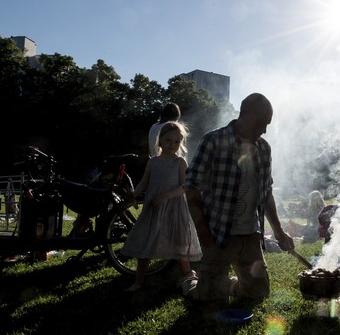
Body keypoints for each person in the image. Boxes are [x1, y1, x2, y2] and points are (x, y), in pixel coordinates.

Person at [184, 93, 294, 304]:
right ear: (245, 115)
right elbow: (191, 187)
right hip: (218, 232)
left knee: (258, 293)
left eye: (268, 124)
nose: (264, 130)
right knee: (208, 299)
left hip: (250, 234)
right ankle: (189, 280)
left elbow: (267, 192)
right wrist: (204, 232)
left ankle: (228, 283)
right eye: (262, 123)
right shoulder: (213, 141)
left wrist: (279, 233)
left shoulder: (264, 148)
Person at [122, 121, 202, 294]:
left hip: (174, 208)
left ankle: (188, 279)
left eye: (176, 142)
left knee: (179, 246)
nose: (172, 145)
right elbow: (144, 183)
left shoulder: (180, 162)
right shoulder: (153, 162)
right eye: (168, 140)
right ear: (160, 141)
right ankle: (138, 281)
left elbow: (184, 186)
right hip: (154, 208)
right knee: (147, 244)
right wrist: (134, 195)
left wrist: (166, 196)